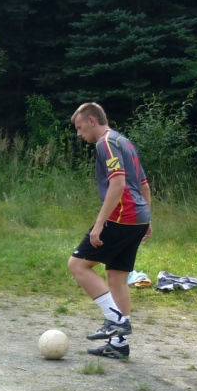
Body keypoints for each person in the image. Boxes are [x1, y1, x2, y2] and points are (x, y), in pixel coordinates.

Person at [68, 103, 152, 359]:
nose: (79, 134)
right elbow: (144, 184)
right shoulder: (124, 142)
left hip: (122, 217)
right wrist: (147, 219)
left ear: (92, 121)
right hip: (137, 219)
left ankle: (115, 320)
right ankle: (118, 344)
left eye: (80, 127)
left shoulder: (105, 143)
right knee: (116, 277)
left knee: (78, 265)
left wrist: (99, 224)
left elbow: (118, 185)